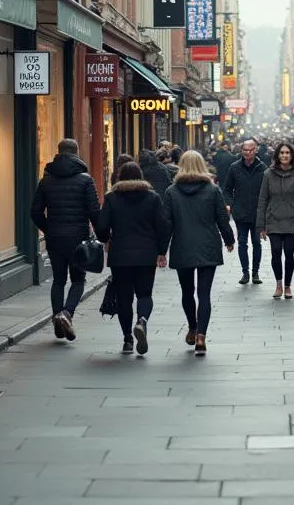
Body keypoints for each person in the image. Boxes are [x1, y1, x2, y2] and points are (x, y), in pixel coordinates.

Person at [162, 150, 235, 356]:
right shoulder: (212, 190)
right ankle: (202, 335)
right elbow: (222, 218)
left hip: (182, 246)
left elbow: (166, 224)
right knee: (204, 294)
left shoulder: (171, 191)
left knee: (187, 292)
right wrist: (229, 239)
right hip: (208, 246)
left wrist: (161, 250)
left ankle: (193, 327)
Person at [31, 138, 101, 341]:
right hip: (78, 238)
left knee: (59, 279)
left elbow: (35, 212)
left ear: (58, 152)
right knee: (78, 279)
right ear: (77, 153)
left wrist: (48, 228)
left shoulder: (46, 180)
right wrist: (101, 233)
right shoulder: (85, 179)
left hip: (55, 239)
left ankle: (57, 319)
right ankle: (67, 314)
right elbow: (94, 212)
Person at [97, 161, 169, 356]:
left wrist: (105, 239)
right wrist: (162, 251)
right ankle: (142, 320)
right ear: (140, 176)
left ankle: (128, 339)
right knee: (144, 294)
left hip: (120, 255)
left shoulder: (112, 198)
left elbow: (102, 227)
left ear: (120, 177)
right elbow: (162, 226)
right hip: (146, 254)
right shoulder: (152, 198)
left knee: (124, 297)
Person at [257, 140, 294, 299]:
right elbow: (263, 200)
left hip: (293, 220)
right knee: (276, 252)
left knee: (290, 253)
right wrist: (261, 225)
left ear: (292, 156)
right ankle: (278, 284)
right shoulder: (268, 174)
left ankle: (288, 286)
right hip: (274, 219)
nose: (285, 155)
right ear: (277, 155)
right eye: (282, 153)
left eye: (287, 153)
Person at [223, 138, 267, 285]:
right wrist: (230, 204)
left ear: (256, 150)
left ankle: (255, 272)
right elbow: (227, 189)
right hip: (240, 212)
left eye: (250, 150)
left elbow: (267, 191)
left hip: (257, 212)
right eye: (245, 150)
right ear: (241, 150)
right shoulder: (234, 167)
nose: (247, 153)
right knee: (242, 242)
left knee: (256, 243)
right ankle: (245, 272)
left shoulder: (262, 168)